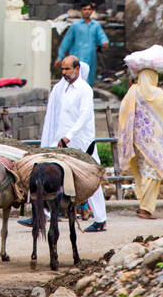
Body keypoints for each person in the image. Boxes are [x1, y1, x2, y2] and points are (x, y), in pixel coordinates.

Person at [19, 56, 107, 231]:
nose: (64, 72)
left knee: (91, 177)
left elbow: (84, 116)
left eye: (67, 69)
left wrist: (69, 135)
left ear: (77, 69)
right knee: (48, 172)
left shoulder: (84, 89)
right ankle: (43, 214)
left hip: (81, 141)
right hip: (61, 140)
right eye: (63, 69)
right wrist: (61, 137)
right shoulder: (63, 88)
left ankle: (100, 219)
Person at [117, 49, 163, 218]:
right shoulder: (157, 94)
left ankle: (142, 204)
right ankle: (146, 208)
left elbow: (123, 111)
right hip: (153, 143)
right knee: (152, 175)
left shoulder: (133, 91)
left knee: (141, 173)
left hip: (136, 142)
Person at [57, 3, 109, 84]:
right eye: (84, 9)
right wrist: (60, 56)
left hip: (91, 57)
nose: (87, 12)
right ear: (81, 11)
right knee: (78, 78)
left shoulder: (95, 25)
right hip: (78, 56)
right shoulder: (75, 26)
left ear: (92, 11)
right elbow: (66, 41)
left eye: (89, 9)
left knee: (90, 78)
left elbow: (101, 36)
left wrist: (104, 42)